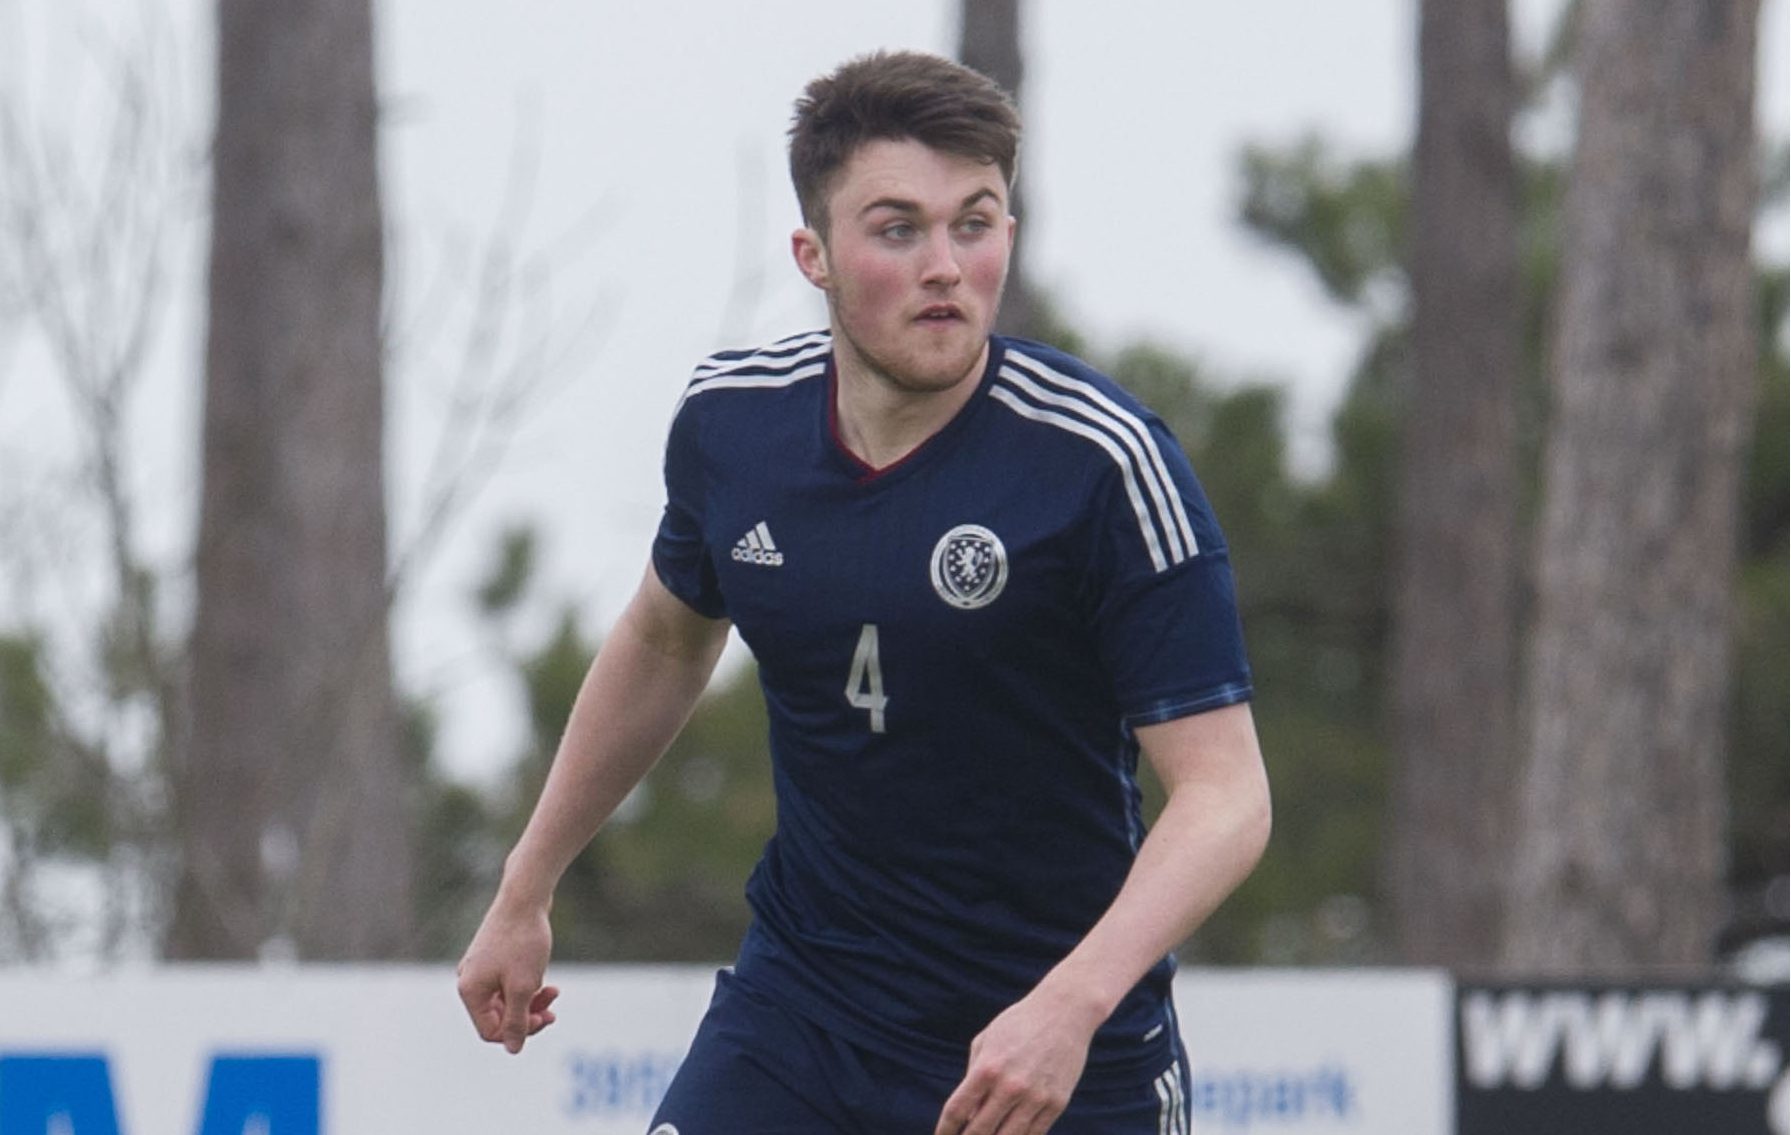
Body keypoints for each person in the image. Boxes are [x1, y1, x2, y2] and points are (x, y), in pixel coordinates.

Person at [456, 49, 1271, 1135]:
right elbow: (663, 640)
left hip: (1054, 1051)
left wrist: (1069, 1006)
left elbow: (1225, 796)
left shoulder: (1102, 463)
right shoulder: (732, 430)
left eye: (973, 223)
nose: (945, 264)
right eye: (898, 229)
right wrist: (527, 883)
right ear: (816, 255)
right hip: (804, 1016)